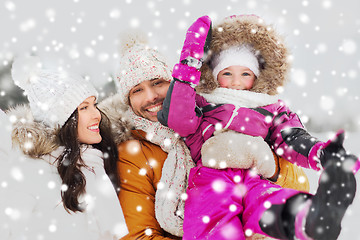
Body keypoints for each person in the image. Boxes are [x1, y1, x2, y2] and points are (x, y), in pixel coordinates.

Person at [157, 15, 359, 240]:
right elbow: (178, 119)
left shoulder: (268, 106)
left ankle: (309, 218)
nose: (236, 82)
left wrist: (321, 153)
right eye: (227, 74)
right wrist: (189, 64)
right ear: (215, 75)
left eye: (245, 74)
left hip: (256, 175)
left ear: (257, 76)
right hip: (212, 177)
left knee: (269, 202)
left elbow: (291, 137)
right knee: (214, 220)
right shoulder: (203, 101)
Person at [100, 31, 311, 239]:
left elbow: (301, 184)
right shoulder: (133, 152)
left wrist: (270, 165)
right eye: (137, 90)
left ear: (173, 83)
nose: (151, 97)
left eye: (157, 83)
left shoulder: (213, 118)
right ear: (128, 100)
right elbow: (140, 235)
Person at [1, 56, 128, 239]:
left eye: (94, 105)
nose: (96, 115)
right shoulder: (36, 173)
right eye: (83, 108)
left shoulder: (93, 162)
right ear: (61, 120)